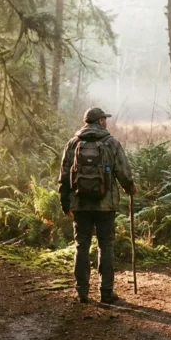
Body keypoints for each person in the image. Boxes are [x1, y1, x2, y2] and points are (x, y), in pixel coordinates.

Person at [58, 107, 137, 304]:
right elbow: (123, 172)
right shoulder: (111, 143)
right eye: (104, 119)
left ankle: (82, 292)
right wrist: (130, 188)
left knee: (81, 246)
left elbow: (64, 177)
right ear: (100, 121)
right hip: (105, 205)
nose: (106, 121)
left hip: (80, 204)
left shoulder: (72, 144)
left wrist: (65, 203)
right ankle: (106, 292)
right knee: (106, 246)